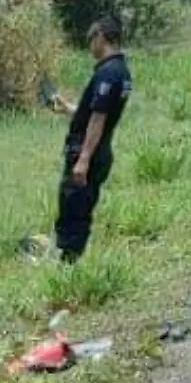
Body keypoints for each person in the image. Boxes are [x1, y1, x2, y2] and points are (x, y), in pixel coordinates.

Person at [28, 16, 133, 263]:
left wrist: (83, 159)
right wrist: (67, 108)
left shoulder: (108, 74)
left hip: (89, 151)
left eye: (91, 39)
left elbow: (98, 118)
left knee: (74, 207)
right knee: (79, 206)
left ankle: (67, 265)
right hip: (101, 149)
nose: (89, 45)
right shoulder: (121, 71)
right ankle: (67, 258)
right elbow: (93, 112)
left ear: (101, 37)